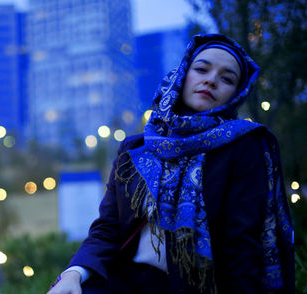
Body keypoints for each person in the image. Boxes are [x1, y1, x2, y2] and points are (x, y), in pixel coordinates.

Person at [47, 34, 295, 294]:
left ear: (236, 94)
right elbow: (108, 228)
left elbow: (241, 246)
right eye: (201, 69)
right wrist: (74, 274)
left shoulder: (244, 147)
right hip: (123, 282)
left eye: (227, 78)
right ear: (182, 74)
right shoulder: (136, 149)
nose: (211, 80)